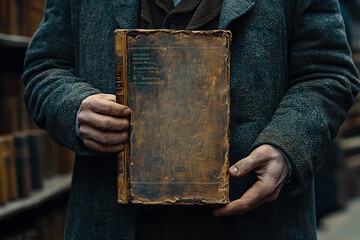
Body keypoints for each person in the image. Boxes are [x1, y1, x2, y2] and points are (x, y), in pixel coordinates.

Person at [22, 0, 359, 239]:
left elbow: (328, 74)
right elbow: (44, 67)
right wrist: (74, 108)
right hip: (114, 220)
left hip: (255, 222)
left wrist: (288, 146)